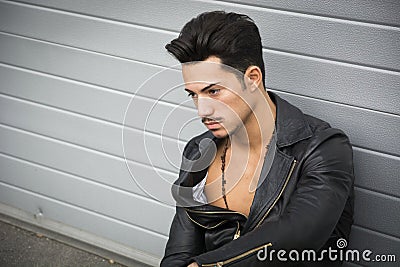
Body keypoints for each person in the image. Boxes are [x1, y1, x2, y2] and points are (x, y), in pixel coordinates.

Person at [160, 11, 354, 267]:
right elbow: (179, 249)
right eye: (193, 95)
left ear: (252, 79)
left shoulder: (322, 148)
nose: (202, 110)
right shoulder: (199, 150)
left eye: (214, 91)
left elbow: (299, 236)